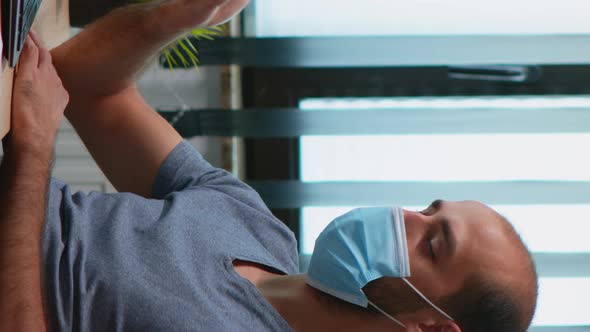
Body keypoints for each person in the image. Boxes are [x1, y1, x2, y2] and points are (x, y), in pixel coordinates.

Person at [0, 0, 539, 331]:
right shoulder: (253, 225)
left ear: (432, 328)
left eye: (433, 244)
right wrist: (178, 16)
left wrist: (30, 158)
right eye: (426, 209)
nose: (405, 219)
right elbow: (95, 90)